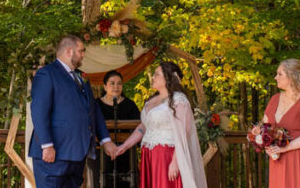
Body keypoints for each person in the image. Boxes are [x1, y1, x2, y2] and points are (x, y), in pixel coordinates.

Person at [30, 35, 118, 187]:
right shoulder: (47, 74)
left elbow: (93, 110)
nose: (83, 54)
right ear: (69, 51)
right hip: (53, 154)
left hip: (76, 154)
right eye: (81, 51)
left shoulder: (80, 77)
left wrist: (106, 140)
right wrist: (47, 145)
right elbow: (39, 111)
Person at [114, 61, 207, 188]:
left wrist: (176, 161)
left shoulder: (178, 100)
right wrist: (124, 146)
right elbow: (143, 127)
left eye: (156, 74)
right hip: (149, 154)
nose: (153, 77)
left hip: (167, 155)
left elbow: (183, 132)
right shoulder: (151, 101)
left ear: (168, 77)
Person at [255, 59, 300, 187]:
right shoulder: (274, 99)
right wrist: (259, 136)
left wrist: (286, 148)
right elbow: (264, 127)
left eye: (280, 74)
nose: (276, 77)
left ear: (292, 76)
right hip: (279, 158)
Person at [96, 70, 141, 188]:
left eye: (119, 83)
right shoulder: (96, 105)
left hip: (126, 155)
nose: (116, 87)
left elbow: (139, 127)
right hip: (101, 155)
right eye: (112, 83)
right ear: (105, 86)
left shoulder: (130, 105)